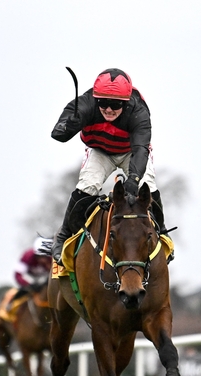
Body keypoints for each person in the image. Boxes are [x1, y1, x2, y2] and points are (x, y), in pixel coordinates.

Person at [50, 68, 168, 265]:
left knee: (147, 185)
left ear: (126, 102)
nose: (108, 109)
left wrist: (134, 179)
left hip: (131, 152)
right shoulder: (86, 103)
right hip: (99, 151)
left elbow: (141, 149)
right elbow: (57, 134)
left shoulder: (139, 111)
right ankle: (64, 235)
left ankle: (162, 232)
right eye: (103, 103)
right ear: (96, 99)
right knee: (88, 185)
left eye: (115, 104)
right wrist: (68, 126)